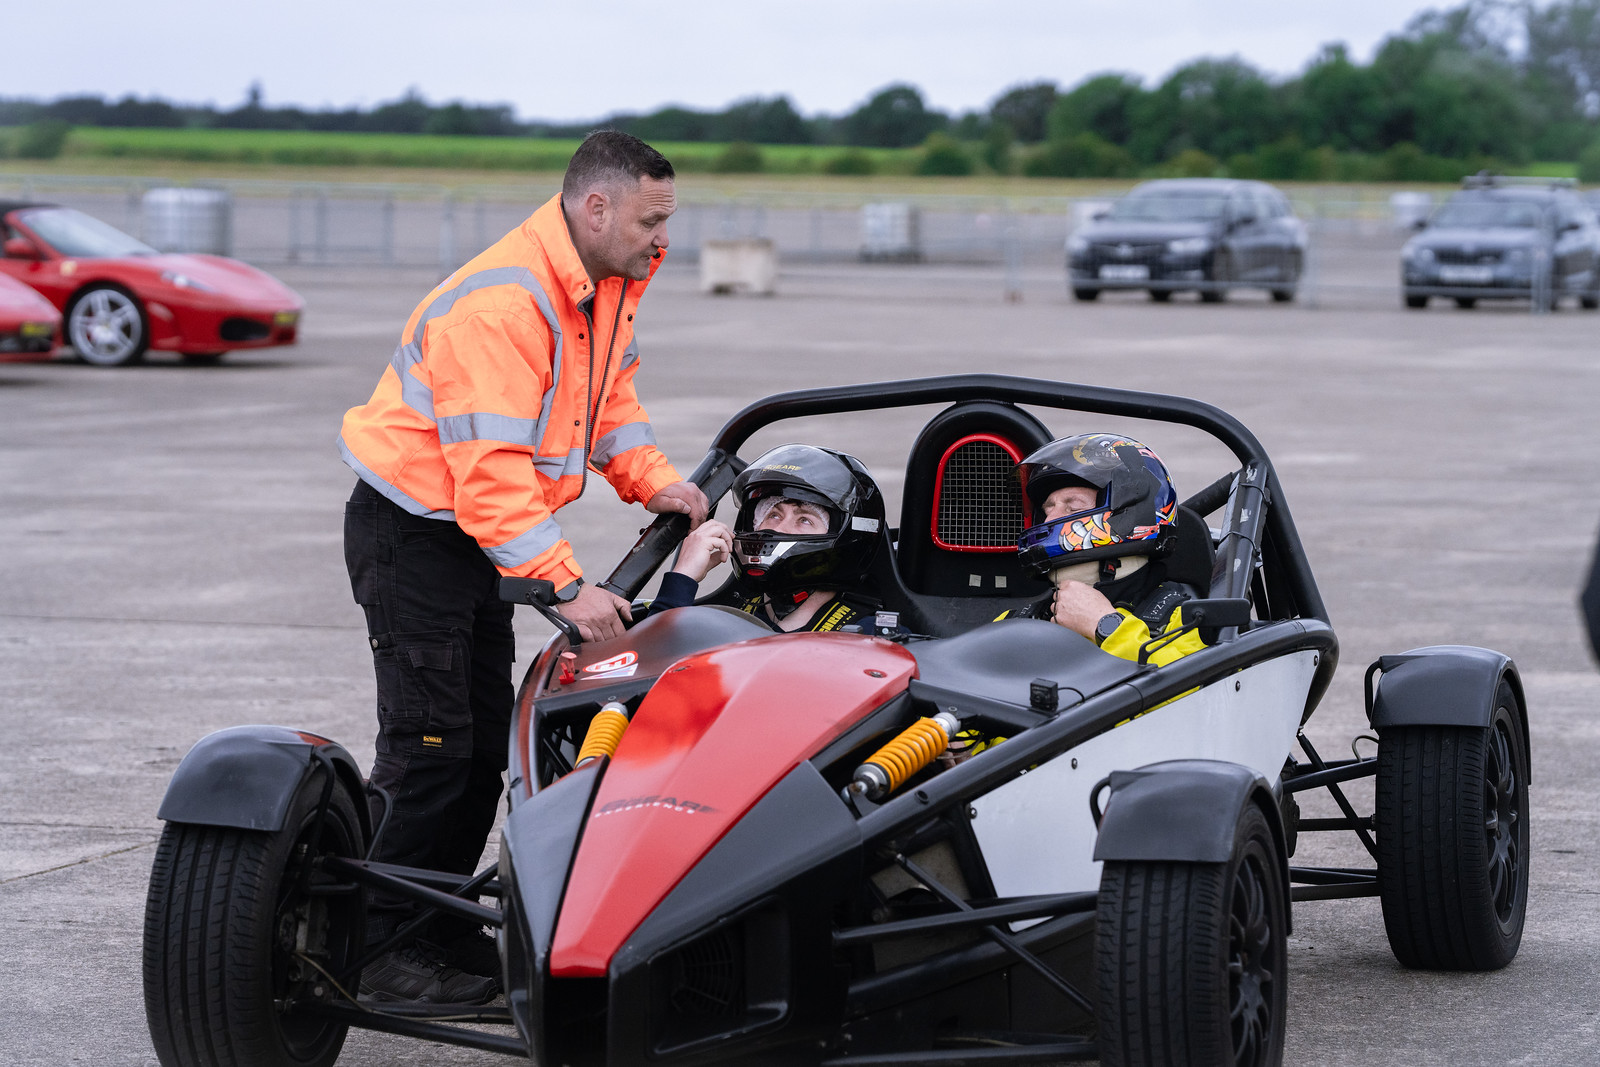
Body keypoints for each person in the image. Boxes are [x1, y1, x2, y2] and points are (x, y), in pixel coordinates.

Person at [339, 131, 708, 1002]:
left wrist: (655, 483)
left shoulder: (600, 286)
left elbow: (606, 404)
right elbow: (489, 471)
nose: (664, 240)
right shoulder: (505, 305)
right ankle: (376, 949)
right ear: (596, 207)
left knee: (478, 752)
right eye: (652, 221)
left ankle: (432, 929)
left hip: (474, 541)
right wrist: (566, 584)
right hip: (416, 536)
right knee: (429, 745)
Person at [1006, 432, 1205, 666]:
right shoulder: (1019, 621)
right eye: (1048, 509)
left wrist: (1105, 626)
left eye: (1072, 507)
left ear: (1129, 511)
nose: (1050, 520)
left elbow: (1202, 689)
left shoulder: (1185, 619)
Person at [644, 444, 884, 632]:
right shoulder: (725, 615)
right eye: (773, 514)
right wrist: (682, 578)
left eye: (804, 520)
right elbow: (647, 664)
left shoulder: (870, 634)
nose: (780, 529)